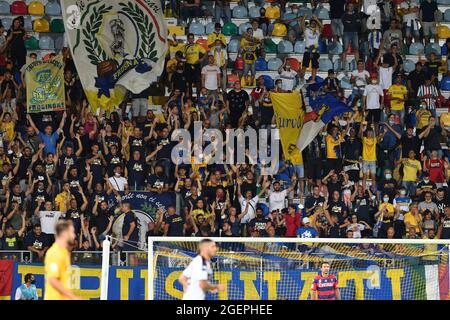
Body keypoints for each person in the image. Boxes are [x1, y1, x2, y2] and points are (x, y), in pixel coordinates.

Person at [44, 220, 80, 300]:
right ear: (64, 234)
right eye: (72, 232)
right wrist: (72, 297)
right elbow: (52, 279)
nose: (74, 236)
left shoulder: (64, 252)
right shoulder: (55, 252)